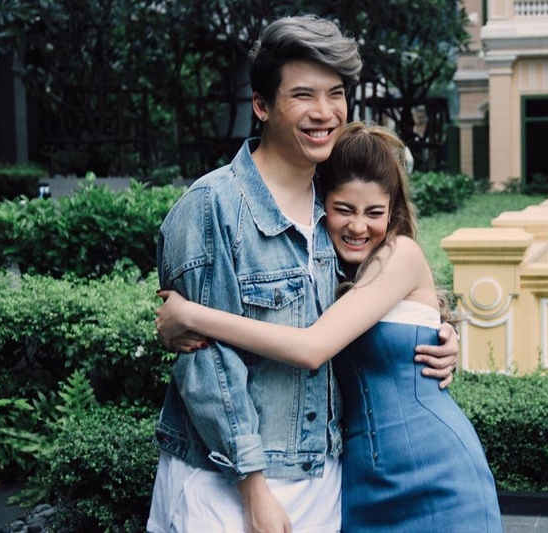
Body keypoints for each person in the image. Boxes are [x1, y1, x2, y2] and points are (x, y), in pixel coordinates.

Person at [146, 15, 459, 533]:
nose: (324, 112)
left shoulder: (336, 210)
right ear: (262, 105)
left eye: (335, 94)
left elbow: (372, 310)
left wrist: (438, 337)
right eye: (303, 95)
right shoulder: (211, 206)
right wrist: (254, 490)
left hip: (323, 477)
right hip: (225, 485)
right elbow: (207, 368)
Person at [156, 122, 504, 532]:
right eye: (344, 209)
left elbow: (312, 348)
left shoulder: (400, 254)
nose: (359, 226)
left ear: (393, 211)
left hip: (435, 473)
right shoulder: (327, 268)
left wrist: (192, 315)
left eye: (375, 213)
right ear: (322, 205)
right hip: (359, 483)